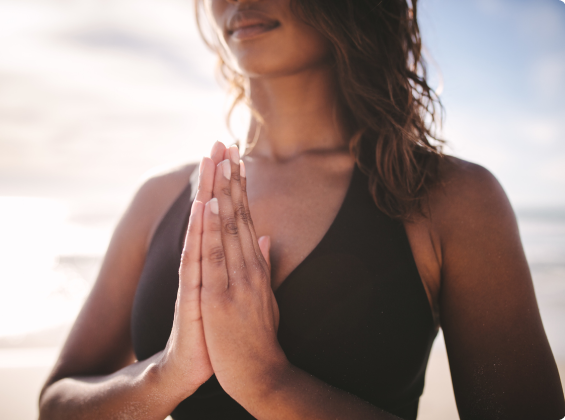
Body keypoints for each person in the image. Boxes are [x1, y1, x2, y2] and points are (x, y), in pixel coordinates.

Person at [38, 0, 565, 419]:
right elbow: (56, 403)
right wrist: (167, 374)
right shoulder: (160, 197)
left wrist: (269, 383)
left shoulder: (451, 199)